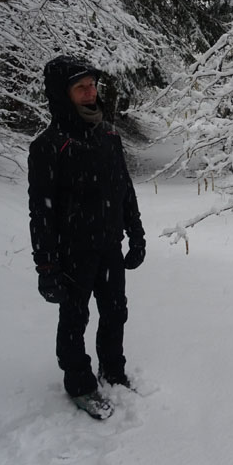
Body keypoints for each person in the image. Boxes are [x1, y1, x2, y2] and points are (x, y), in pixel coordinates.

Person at [27, 55, 146, 420]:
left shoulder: (108, 134)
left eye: (92, 85)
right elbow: (41, 211)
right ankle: (79, 384)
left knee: (115, 313)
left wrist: (136, 233)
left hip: (109, 245)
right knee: (74, 318)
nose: (90, 92)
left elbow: (124, 187)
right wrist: (46, 265)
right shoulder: (49, 145)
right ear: (63, 95)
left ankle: (112, 370)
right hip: (72, 252)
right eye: (81, 87)